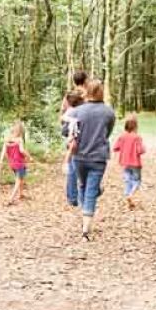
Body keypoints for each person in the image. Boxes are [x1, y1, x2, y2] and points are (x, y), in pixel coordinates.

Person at [67, 80, 115, 241]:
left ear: (87, 92)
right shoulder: (109, 112)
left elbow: (66, 130)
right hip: (98, 156)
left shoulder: (77, 111)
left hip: (79, 156)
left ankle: (85, 218)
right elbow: (107, 133)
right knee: (91, 189)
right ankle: (86, 227)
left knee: (83, 185)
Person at [113, 114, 145, 210]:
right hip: (135, 163)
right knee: (137, 181)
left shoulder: (122, 137)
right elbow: (140, 150)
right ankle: (131, 195)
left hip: (125, 163)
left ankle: (127, 195)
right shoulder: (137, 137)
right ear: (136, 127)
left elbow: (115, 148)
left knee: (128, 180)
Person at [0, 120, 31, 205]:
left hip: (12, 163)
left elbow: (4, 151)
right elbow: (22, 150)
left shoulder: (7, 139)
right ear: (21, 131)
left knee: (21, 178)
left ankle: (21, 194)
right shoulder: (19, 140)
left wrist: (0, 160)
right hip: (19, 163)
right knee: (18, 180)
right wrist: (29, 156)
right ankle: (10, 199)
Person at [61, 90, 84, 207]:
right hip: (77, 143)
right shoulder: (77, 111)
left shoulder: (70, 110)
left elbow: (63, 120)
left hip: (71, 142)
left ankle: (72, 197)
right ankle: (77, 198)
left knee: (72, 170)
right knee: (77, 171)